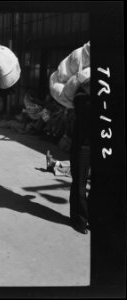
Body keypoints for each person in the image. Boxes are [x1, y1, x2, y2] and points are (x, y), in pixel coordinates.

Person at [69, 79, 91, 234]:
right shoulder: (80, 99)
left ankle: (89, 217)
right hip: (82, 147)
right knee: (79, 185)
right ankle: (79, 220)